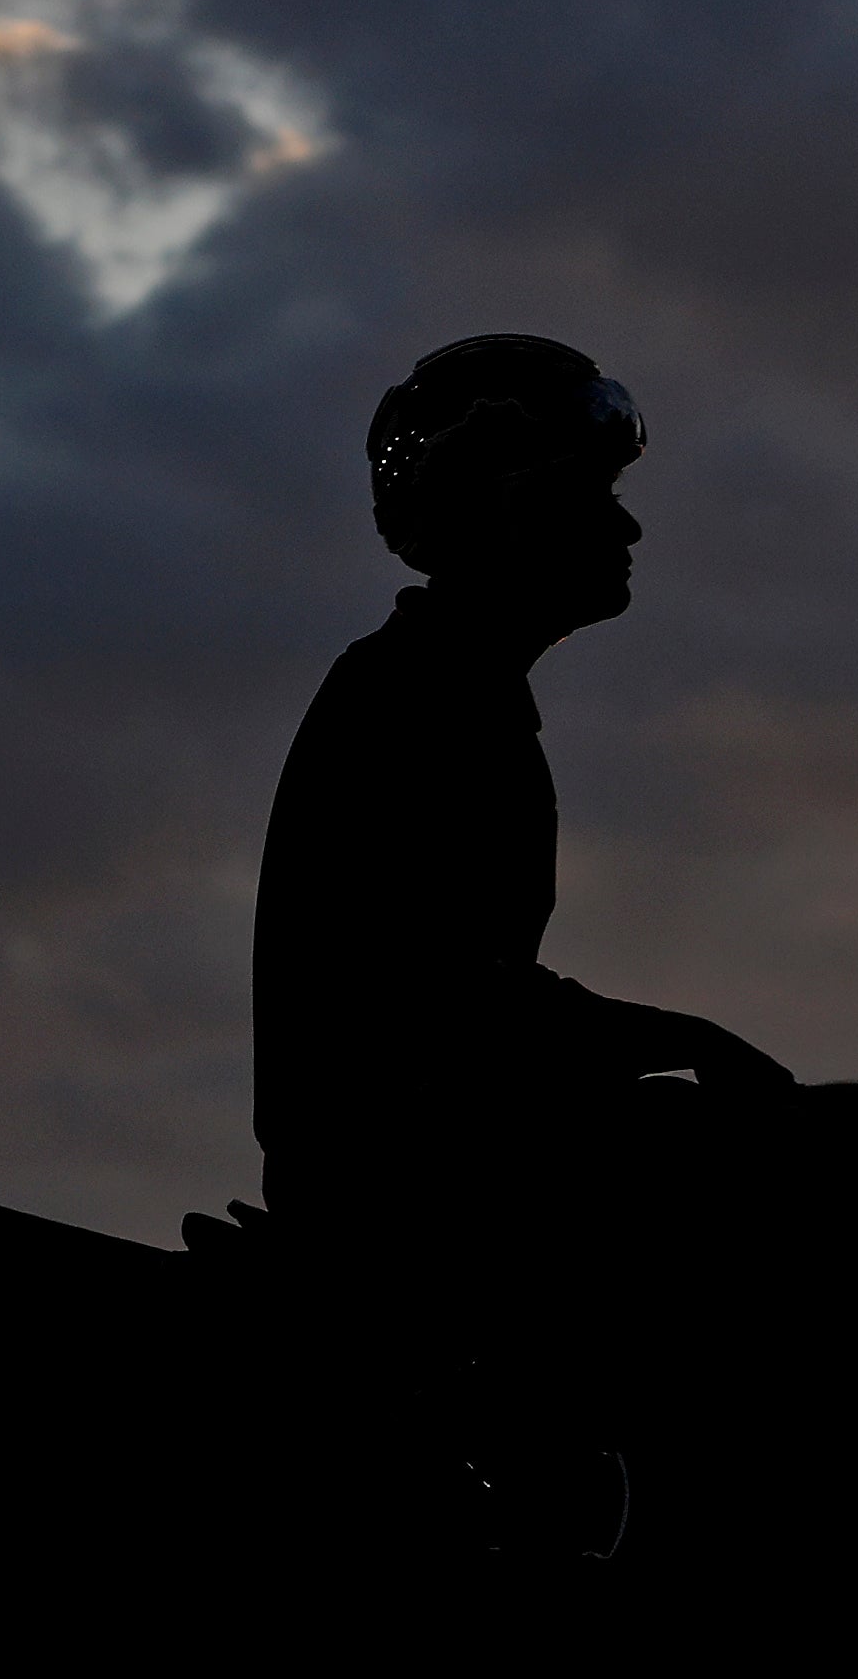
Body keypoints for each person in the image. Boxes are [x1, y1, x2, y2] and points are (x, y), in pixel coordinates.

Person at [250, 331, 792, 1302]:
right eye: (591, 496)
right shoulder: (409, 697)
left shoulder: (459, 697)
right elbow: (434, 996)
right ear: (495, 506)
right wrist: (687, 1042)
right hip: (404, 1217)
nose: (626, 534)